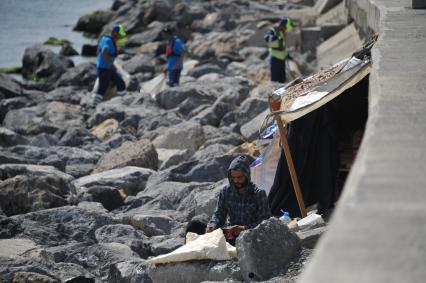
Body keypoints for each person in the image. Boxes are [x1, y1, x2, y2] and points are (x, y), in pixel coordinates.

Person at [206, 155, 272, 245]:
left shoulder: (258, 193)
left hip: (250, 236)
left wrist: (244, 228)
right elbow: (219, 214)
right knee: (195, 225)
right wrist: (212, 225)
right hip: (230, 233)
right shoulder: (226, 191)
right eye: (233, 177)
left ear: (247, 175)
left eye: (239, 177)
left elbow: (265, 222)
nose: (236, 181)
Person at [92, 23, 127, 108]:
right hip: (104, 68)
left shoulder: (104, 38)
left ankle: (121, 102)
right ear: (114, 32)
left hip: (107, 68)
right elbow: (104, 52)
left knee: (120, 82)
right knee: (102, 88)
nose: (120, 37)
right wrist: (110, 62)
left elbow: (98, 52)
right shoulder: (108, 41)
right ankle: (93, 106)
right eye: (119, 35)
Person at [264, 16, 293, 83]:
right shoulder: (273, 30)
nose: (285, 29)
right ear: (282, 25)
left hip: (282, 60)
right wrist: (275, 37)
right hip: (275, 59)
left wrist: (287, 55)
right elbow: (266, 38)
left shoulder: (282, 32)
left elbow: (283, 46)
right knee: (274, 81)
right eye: (285, 27)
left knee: (282, 80)